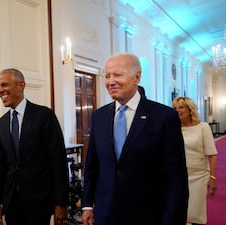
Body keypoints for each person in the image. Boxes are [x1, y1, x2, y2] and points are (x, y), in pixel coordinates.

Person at [81, 53, 189, 225]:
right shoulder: (99, 116)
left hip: (148, 215)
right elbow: (92, 166)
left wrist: (173, 219)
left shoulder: (164, 117)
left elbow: (176, 177)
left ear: (136, 77)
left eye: (118, 75)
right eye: (107, 76)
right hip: (106, 214)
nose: (110, 81)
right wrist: (87, 205)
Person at [0, 68, 69, 225]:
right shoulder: (1, 123)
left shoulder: (44, 116)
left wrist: (61, 202)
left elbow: (58, 161)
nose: (0, 91)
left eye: (4, 85)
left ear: (21, 85)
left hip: (39, 201)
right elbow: (0, 166)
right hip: (11, 202)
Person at [172, 96, 218, 225]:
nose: (177, 110)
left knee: (195, 214)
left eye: (181, 107)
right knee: (177, 211)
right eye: (174, 108)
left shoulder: (203, 127)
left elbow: (212, 155)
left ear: (190, 109)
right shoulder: (172, 128)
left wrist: (212, 178)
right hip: (177, 176)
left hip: (198, 176)